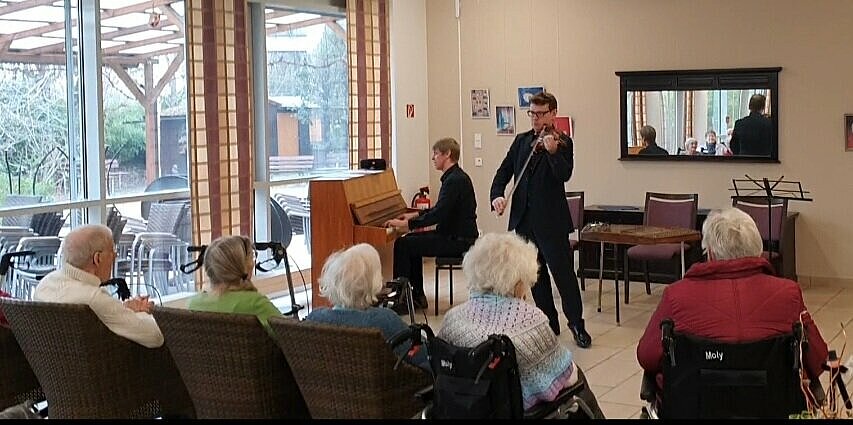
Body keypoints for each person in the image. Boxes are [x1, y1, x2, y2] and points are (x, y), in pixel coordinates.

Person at [637, 208, 828, 408]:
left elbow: (647, 356)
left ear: (709, 253)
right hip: (774, 408)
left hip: (693, 409)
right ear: (757, 252)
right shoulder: (788, 293)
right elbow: (818, 359)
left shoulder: (676, 295)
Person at [438, 232, 604, 417]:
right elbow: (564, 375)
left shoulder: (452, 319)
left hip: (466, 409)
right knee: (574, 372)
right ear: (518, 282)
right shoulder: (530, 319)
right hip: (515, 410)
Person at [490, 91, 591, 348]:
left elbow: (564, 175)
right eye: (532, 113)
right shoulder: (522, 142)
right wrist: (497, 196)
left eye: (540, 114)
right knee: (535, 276)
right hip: (524, 220)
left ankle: (577, 324)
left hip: (551, 221)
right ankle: (548, 322)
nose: (535, 119)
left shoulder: (563, 142)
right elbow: (503, 172)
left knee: (563, 275)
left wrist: (553, 153)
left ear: (553, 113)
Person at [385, 137, 478, 310]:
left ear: (447, 154)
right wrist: (413, 216)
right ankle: (416, 296)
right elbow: (440, 209)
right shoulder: (455, 177)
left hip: (457, 240)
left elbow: (439, 214)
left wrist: (408, 225)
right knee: (409, 242)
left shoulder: (454, 180)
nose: (433, 158)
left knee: (403, 244)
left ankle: (404, 299)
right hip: (454, 235)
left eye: (436, 154)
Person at [33, 224, 163, 348]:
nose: (115, 257)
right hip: (112, 368)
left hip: (52, 368)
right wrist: (141, 311)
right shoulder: (93, 298)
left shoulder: (45, 284)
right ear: (98, 258)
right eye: (113, 252)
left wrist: (126, 310)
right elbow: (155, 335)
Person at [305, 243, 430, 371]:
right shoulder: (383, 320)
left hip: (325, 388)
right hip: (390, 388)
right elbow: (423, 356)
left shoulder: (315, 318)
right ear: (374, 281)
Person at [187, 235, 281, 333]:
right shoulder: (254, 303)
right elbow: (291, 337)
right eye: (252, 257)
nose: (253, 263)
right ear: (241, 266)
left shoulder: (193, 305)